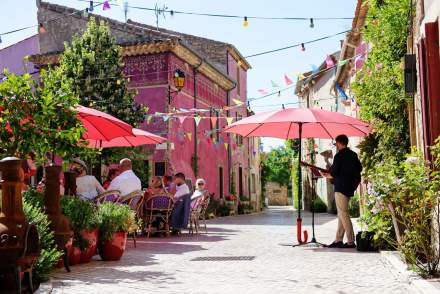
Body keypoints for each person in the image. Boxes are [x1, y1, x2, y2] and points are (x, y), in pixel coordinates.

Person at [322, 134, 362, 249]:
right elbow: (359, 168)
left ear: (339, 143)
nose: (336, 146)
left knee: (343, 214)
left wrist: (326, 175)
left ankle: (350, 241)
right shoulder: (353, 155)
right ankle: (338, 240)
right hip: (350, 188)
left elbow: (334, 173)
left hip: (340, 188)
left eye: (336, 144)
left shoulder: (339, 156)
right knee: (341, 214)